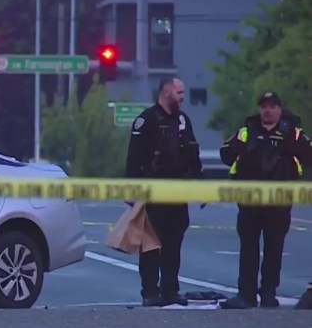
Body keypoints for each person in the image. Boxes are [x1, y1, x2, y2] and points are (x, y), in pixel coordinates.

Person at [218, 92, 312, 309]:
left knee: (274, 248)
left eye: (272, 106)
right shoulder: (247, 130)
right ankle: (246, 295)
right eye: (264, 106)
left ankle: (269, 293)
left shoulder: (293, 133)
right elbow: (226, 155)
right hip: (250, 200)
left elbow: (309, 157)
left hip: (279, 201)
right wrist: (239, 148)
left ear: (279, 109)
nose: (268, 111)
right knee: (248, 248)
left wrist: (292, 147)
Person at [125, 76, 202, 307]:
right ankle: (150, 291)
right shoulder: (146, 120)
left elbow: (193, 155)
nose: (182, 97)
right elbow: (133, 159)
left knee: (173, 244)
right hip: (153, 193)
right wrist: (133, 190)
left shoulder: (183, 121)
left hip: (177, 193)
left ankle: (171, 290)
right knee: (150, 245)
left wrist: (201, 183)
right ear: (166, 92)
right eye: (179, 92)